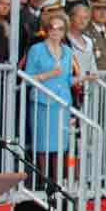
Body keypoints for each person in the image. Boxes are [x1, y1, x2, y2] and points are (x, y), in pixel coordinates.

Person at [26, 13, 74, 178]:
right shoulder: (36, 49)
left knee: (60, 145)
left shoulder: (67, 51)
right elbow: (27, 77)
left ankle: (57, 181)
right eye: (53, 28)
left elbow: (68, 78)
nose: (56, 32)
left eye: (60, 29)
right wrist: (49, 74)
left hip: (62, 103)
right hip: (42, 102)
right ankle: (44, 180)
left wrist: (84, 78)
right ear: (47, 29)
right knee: (43, 144)